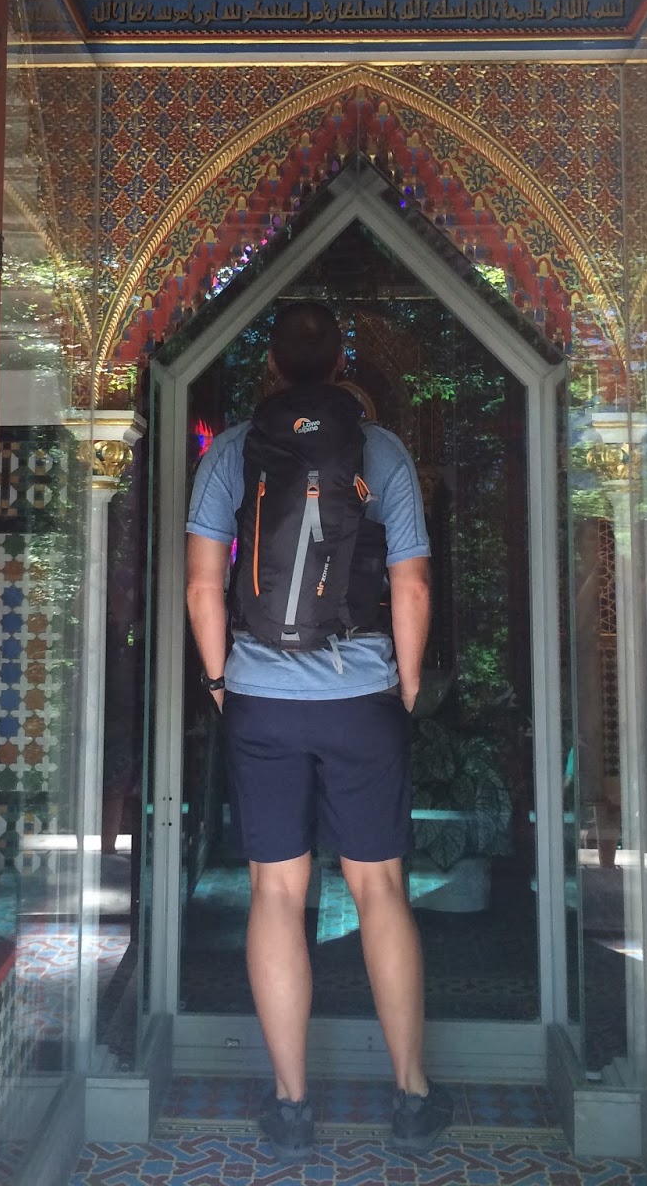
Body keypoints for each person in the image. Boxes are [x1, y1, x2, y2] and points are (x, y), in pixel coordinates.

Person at [185, 300, 453, 1159]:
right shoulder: (382, 451)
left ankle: (292, 1104)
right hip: (361, 694)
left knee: (276, 892)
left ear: (271, 366)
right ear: (343, 364)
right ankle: (411, 1096)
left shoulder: (233, 450)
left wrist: (221, 679)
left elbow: (203, 585)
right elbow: (412, 583)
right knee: (381, 890)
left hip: (260, 696)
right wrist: (404, 685)